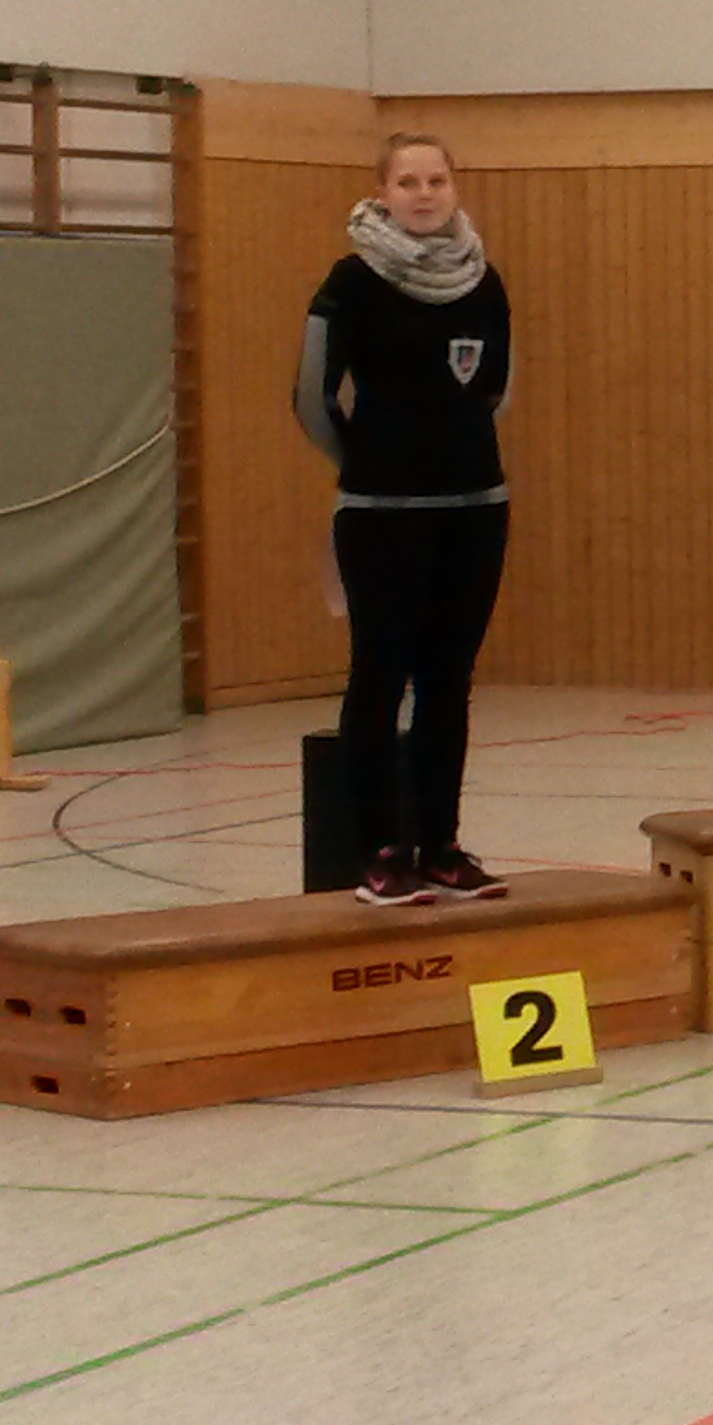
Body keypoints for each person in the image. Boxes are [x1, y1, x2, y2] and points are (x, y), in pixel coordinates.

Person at [294, 133, 513, 908]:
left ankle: (441, 845)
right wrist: (369, 464)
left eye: (437, 181)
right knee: (381, 675)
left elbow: (494, 391)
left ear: (455, 188)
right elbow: (312, 400)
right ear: (382, 193)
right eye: (409, 182)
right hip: (381, 514)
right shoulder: (350, 283)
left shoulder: (484, 281)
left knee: (448, 681)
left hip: (474, 509)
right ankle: (382, 852)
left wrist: (454, 456)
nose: (424, 194)